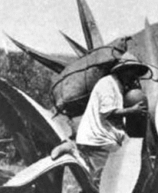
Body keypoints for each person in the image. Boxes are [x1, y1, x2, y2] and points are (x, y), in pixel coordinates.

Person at [51, 55, 151, 184]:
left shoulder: (119, 86)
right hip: (98, 140)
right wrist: (132, 111)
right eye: (133, 71)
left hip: (107, 138)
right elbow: (108, 114)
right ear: (123, 70)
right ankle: (75, 149)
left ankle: (77, 148)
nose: (135, 76)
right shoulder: (107, 85)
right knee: (107, 179)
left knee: (125, 166)